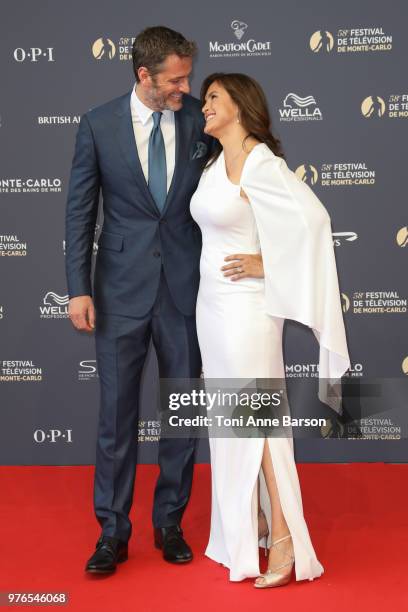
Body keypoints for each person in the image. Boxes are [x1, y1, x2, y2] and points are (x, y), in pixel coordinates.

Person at [190, 73, 350, 587]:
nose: (205, 105)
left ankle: (284, 539)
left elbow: (315, 224)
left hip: (248, 313)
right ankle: (252, 523)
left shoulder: (261, 162)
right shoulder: (216, 163)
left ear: (239, 104)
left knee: (257, 425)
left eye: (213, 97)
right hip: (212, 310)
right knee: (238, 423)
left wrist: (268, 263)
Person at [65, 26, 213, 574]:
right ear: (143, 75)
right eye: (175, 79)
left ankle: (169, 521)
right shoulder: (98, 124)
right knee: (116, 419)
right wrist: (77, 286)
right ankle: (112, 532)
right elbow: (80, 212)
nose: (186, 86)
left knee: (182, 413)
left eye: (188, 76)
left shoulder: (202, 118)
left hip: (185, 291)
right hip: (118, 291)